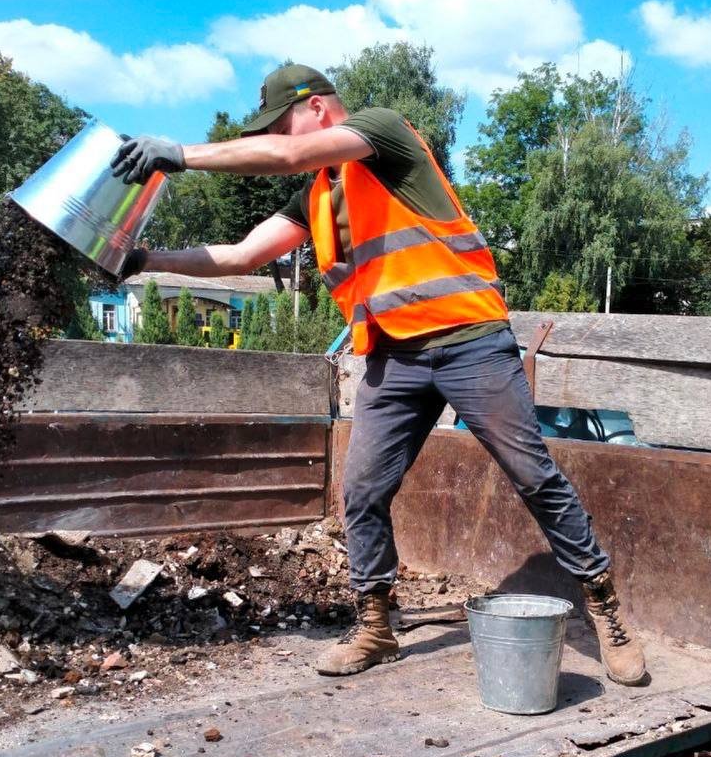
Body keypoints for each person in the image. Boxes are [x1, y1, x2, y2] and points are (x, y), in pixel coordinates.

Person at [110, 64, 647, 686]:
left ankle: (604, 606)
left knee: (532, 475)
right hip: (394, 358)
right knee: (362, 491)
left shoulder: (384, 133)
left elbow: (289, 154)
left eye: (281, 123)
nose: (279, 137)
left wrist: (181, 154)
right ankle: (375, 625)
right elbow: (240, 256)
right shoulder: (314, 196)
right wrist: (142, 259)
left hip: (468, 341)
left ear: (315, 108)